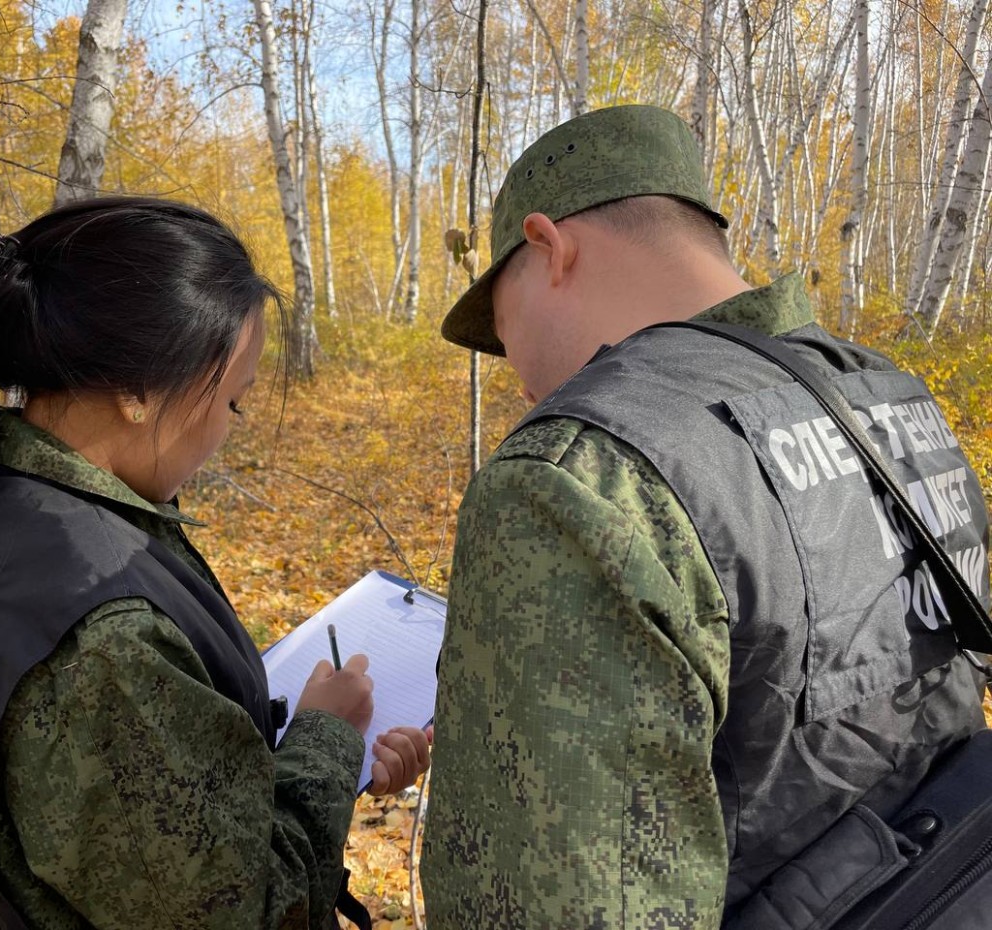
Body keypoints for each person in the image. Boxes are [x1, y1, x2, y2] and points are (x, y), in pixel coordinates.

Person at [421, 105, 989, 928]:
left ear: (549, 247)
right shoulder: (885, 394)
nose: (521, 380)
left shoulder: (583, 472)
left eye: (506, 331)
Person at [0, 197, 432, 929]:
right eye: (232, 403)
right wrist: (327, 742)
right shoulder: (102, 635)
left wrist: (289, 744)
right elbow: (247, 910)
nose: (226, 434)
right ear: (137, 392)